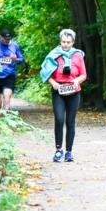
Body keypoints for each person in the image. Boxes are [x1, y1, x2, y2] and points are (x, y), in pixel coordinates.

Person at [39, 29, 86, 162]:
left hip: (74, 91)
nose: (66, 45)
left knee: (70, 122)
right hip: (58, 90)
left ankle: (69, 152)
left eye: (68, 42)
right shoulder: (53, 54)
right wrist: (53, 83)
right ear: (60, 41)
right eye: (63, 42)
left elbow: (84, 74)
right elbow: (45, 73)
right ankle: (58, 150)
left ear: (73, 42)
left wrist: (77, 80)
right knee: (59, 119)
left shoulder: (78, 55)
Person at [0, 29, 24, 111]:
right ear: (0, 37)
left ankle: (7, 116)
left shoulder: (14, 46)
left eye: (9, 39)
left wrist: (15, 59)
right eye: (5, 39)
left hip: (9, 75)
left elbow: (21, 60)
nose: (7, 41)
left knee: (7, 97)